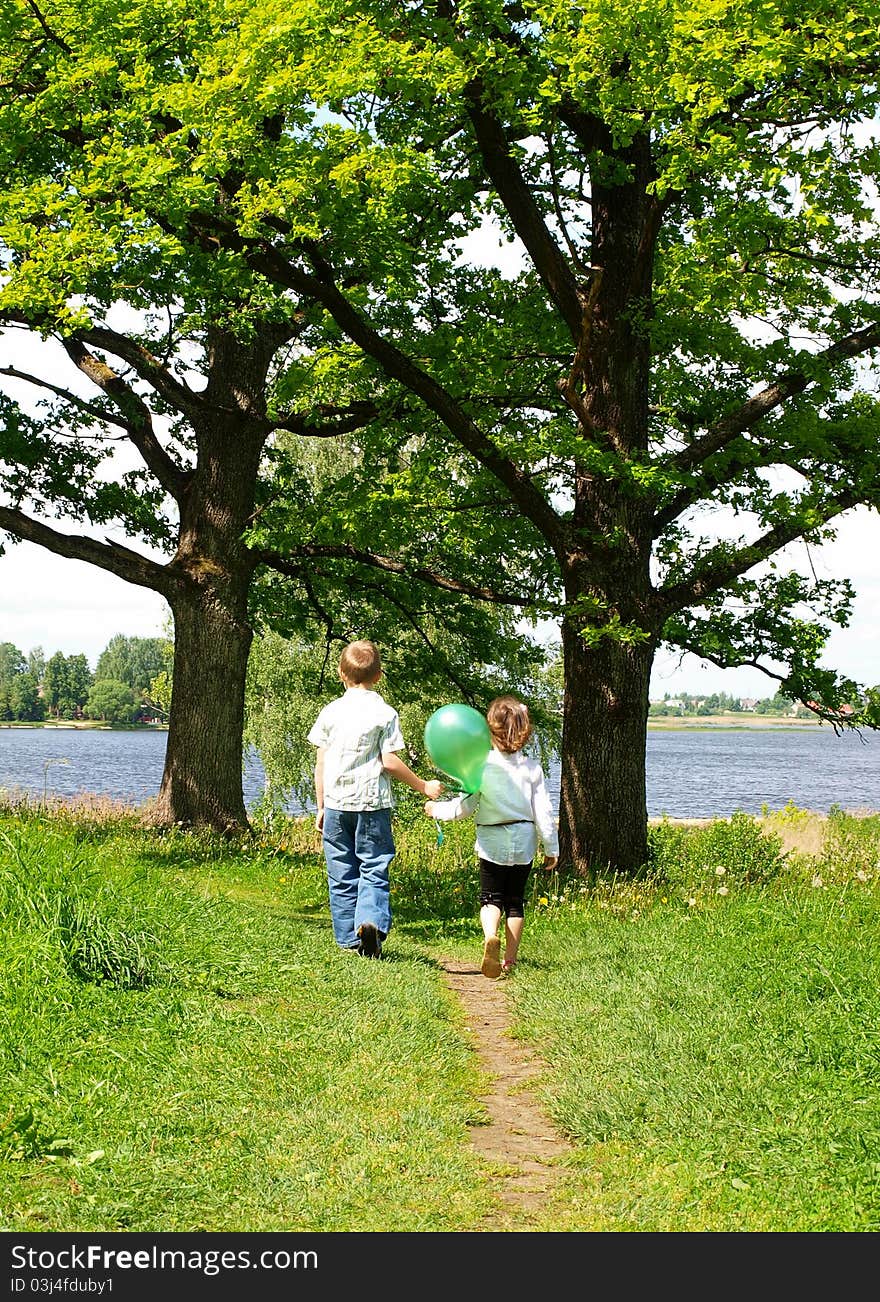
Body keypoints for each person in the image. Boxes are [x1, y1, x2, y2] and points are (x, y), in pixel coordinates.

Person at [308, 639, 443, 959]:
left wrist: (321, 806)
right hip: (371, 804)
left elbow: (321, 764)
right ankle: (369, 921)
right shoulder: (385, 713)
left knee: (341, 870)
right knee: (373, 866)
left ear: (341, 673)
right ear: (379, 675)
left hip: (337, 804)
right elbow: (389, 761)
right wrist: (423, 786)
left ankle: (348, 939)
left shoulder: (330, 712)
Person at [425, 695, 559, 978]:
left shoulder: (481, 765)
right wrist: (551, 847)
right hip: (523, 840)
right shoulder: (532, 768)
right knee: (515, 901)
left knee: (491, 898)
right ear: (525, 731)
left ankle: (490, 936)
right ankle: (510, 961)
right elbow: (544, 812)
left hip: (491, 840)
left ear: (490, 730)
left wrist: (437, 810)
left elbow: (465, 807)